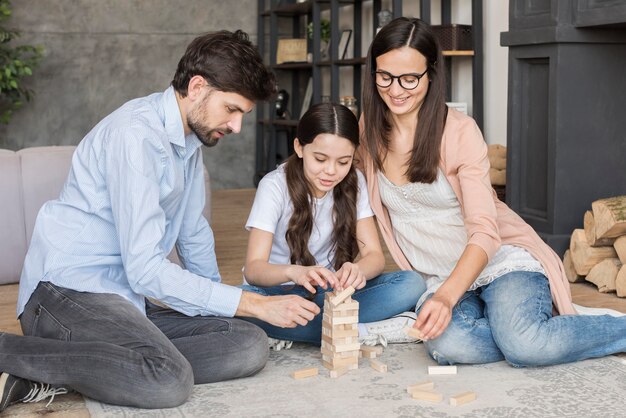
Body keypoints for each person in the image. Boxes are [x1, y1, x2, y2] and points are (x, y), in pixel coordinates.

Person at [0, 29, 327, 413]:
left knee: (247, 344)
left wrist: (216, 307)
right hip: (64, 294)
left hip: (127, 298)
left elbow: (193, 234)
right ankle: (10, 353)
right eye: (232, 109)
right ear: (197, 87)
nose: (237, 127)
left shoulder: (190, 143)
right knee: (168, 381)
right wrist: (250, 302)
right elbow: (143, 269)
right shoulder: (134, 136)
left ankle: (120, 362)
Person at [358, 17, 626, 367]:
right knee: (448, 346)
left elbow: (486, 233)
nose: (396, 89)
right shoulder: (367, 132)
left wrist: (445, 299)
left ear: (432, 74)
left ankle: (572, 332)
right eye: (385, 76)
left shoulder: (458, 132)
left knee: (525, 347)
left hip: (501, 262)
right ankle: (526, 330)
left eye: (410, 78)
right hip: (440, 276)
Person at [242, 102, 426, 349]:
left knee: (411, 284)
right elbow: (254, 269)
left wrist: (358, 270)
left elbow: (374, 256)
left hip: (331, 295)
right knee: (242, 307)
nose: (330, 171)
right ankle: (359, 329)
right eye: (320, 159)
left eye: (343, 162)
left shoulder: (355, 182)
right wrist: (294, 272)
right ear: (299, 147)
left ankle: (308, 330)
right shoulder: (274, 186)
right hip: (280, 295)